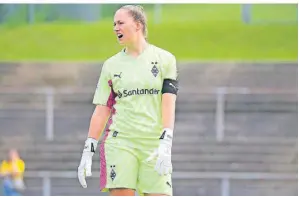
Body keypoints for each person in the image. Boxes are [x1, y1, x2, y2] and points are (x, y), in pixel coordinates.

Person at [78, 4, 178, 196]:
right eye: (114, 24)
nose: (116, 28)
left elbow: (168, 102)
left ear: (138, 25)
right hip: (120, 143)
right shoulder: (111, 65)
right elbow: (102, 110)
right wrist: (88, 149)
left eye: (121, 23)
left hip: (153, 144)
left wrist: (166, 142)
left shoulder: (165, 60)